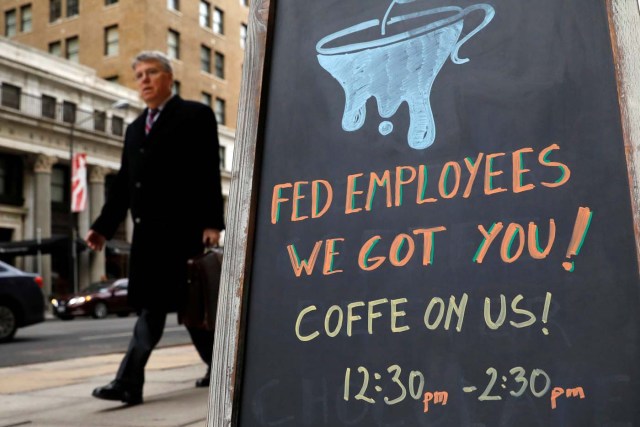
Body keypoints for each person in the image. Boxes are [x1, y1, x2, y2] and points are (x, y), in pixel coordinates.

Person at [87, 51, 225, 405]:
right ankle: (221, 367)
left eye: (151, 73)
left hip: (184, 233)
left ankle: (130, 381)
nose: (144, 81)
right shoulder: (134, 129)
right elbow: (123, 185)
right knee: (180, 308)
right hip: (147, 238)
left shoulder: (196, 115)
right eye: (138, 75)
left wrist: (212, 222)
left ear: (169, 77)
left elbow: (207, 170)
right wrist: (103, 227)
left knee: (180, 307)